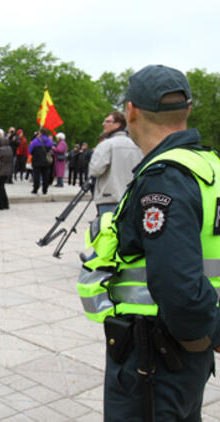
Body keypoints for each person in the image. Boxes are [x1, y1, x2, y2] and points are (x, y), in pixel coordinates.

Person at [78, 64, 220, 421]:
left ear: (130, 111)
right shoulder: (208, 166)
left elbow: (178, 286)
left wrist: (206, 334)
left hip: (156, 358)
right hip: (184, 354)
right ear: (187, 110)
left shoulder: (165, 178)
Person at [89, 111, 143, 215]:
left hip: (109, 198)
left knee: (108, 230)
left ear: (117, 124)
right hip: (132, 198)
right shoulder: (137, 145)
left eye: (107, 121)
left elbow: (95, 170)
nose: (103, 124)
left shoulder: (106, 145)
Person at [29, 129, 53, 194]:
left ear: (41, 133)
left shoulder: (35, 141)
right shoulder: (50, 141)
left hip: (36, 160)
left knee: (36, 175)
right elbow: (51, 149)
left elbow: (30, 150)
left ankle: (35, 189)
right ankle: (45, 190)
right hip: (46, 161)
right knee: (45, 175)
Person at [0, 131, 11, 209]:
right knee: (2, 187)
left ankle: (1, 204)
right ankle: (5, 203)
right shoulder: (9, 149)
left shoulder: (0, 150)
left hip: (0, 171)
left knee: (0, 188)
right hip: (7, 170)